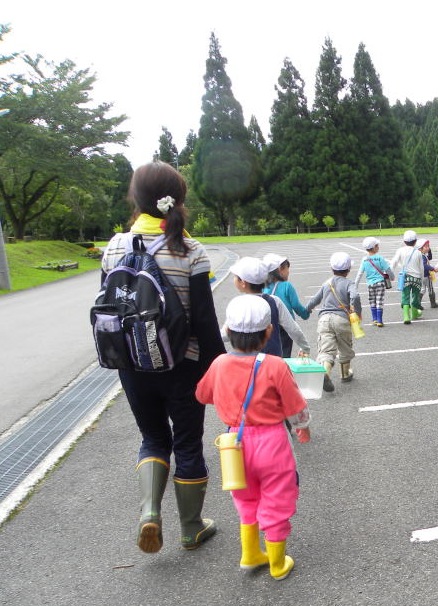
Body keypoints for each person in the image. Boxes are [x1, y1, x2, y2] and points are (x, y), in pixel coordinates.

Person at [99, 161, 226, 554]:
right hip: (181, 364)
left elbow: (110, 308)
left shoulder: (115, 246)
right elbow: (204, 321)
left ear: (135, 199)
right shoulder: (190, 250)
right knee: (187, 443)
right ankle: (191, 527)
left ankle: (150, 511)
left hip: (132, 364)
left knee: (153, 438)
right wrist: (219, 370)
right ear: (179, 199)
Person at [195, 294, 310, 581]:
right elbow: (295, 405)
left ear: (229, 332)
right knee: (277, 498)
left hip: (234, 443)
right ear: (268, 332)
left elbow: (202, 394)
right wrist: (302, 426)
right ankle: (277, 562)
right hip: (272, 442)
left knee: (245, 498)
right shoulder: (274, 365)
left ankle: (250, 554)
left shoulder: (219, 363)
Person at [230, 257, 311, 360]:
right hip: (273, 361)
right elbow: (293, 328)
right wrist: (305, 347)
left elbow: (227, 332)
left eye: (235, 276)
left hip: (244, 362)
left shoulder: (237, 304)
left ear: (243, 282)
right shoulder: (275, 301)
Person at [306, 251, 362, 388]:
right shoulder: (350, 283)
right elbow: (356, 297)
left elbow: (315, 299)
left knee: (326, 349)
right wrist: (358, 312)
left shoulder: (327, 283)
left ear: (332, 269)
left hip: (324, 319)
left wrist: (307, 309)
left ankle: (326, 372)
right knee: (345, 347)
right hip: (342, 319)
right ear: (348, 270)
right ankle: (345, 374)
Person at [262, 253, 310, 358]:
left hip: (267, 325)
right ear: (280, 269)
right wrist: (305, 314)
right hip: (284, 327)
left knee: (268, 353)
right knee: (284, 354)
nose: (288, 272)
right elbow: (296, 306)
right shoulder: (287, 286)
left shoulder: (262, 287)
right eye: (287, 269)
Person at [355, 237, 393, 327]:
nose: (378, 246)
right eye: (377, 245)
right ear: (375, 247)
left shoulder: (364, 259)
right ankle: (380, 320)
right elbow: (388, 269)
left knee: (372, 300)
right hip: (380, 283)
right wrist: (392, 277)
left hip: (370, 284)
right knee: (379, 300)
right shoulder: (380, 258)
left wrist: (355, 285)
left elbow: (359, 273)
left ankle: (374, 319)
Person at [389, 230, 425, 323]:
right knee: (415, 296)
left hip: (405, 278)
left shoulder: (400, 250)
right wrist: (421, 278)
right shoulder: (418, 252)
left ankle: (406, 316)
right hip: (416, 278)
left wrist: (389, 273)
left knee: (405, 296)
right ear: (415, 241)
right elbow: (421, 268)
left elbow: (394, 262)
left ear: (404, 241)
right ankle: (414, 313)